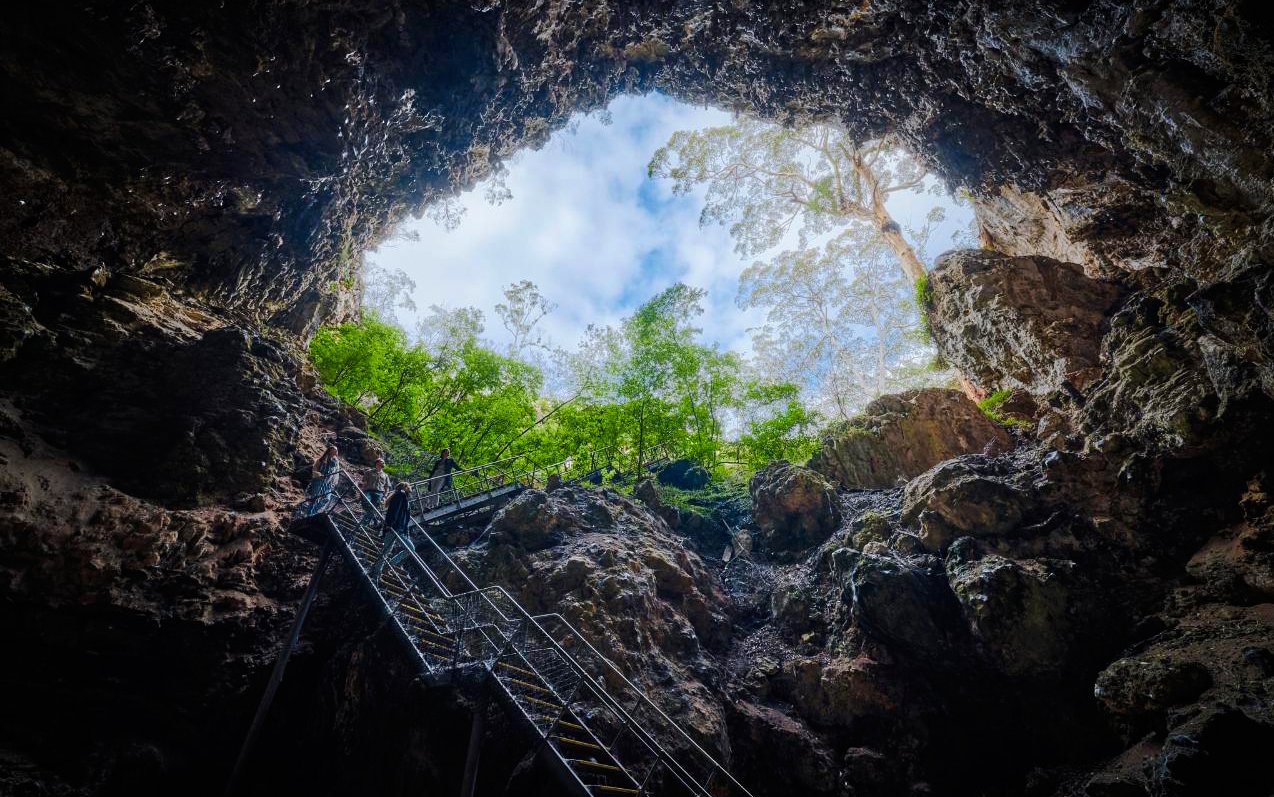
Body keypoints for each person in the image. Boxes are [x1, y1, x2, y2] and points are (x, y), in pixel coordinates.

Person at [370, 482, 414, 579]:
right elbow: (394, 511)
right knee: (388, 550)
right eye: (409, 486)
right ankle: (378, 570)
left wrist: (406, 532)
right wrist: (389, 525)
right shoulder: (400, 495)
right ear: (405, 487)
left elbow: (405, 517)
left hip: (400, 529)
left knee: (388, 550)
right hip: (395, 528)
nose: (410, 488)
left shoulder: (403, 497)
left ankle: (384, 567)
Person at [305, 445, 340, 514]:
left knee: (326, 499)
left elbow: (336, 473)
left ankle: (313, 511)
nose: (335, 452)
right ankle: (309, 513)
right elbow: (315, 469)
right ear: (330, 451)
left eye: (336, 450)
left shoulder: (336, 462)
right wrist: (319, 475)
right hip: (319, 481)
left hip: (328, 483)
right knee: (315, 498)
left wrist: (334, 482)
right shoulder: (321, 460)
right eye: (334, 450)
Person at [362, 457, 391, 524]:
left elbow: (387, 487)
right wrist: (362, 492)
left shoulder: (385, 475)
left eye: (383, 462)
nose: (383, 463)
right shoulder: (369, 472)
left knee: (374, 508)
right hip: (368, 491)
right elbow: (364, 483)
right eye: (381, 462)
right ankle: (374, 518)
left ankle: (364, 524)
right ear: (377, 463)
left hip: (379, 493)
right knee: (366, 503)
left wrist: (385, 496)